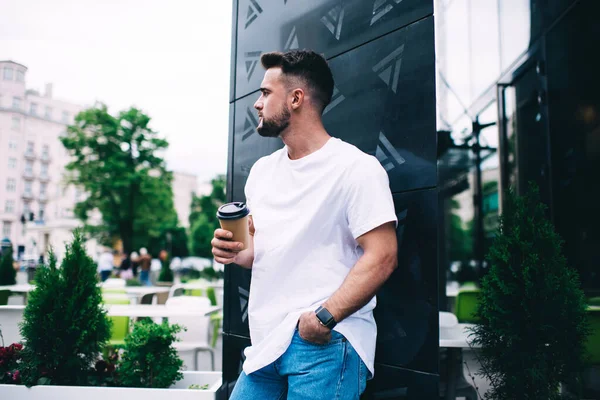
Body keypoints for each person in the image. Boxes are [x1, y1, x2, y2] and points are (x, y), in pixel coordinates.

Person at [211, 50, 398, 399]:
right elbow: (260, 253)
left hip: (323, 343)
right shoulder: (261, 173)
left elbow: (383, 256)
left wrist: (324, 317)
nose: (256, 103)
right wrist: (234, 251)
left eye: (266, 93)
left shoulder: (356, 168)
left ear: (296, 98)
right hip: (266, 343)